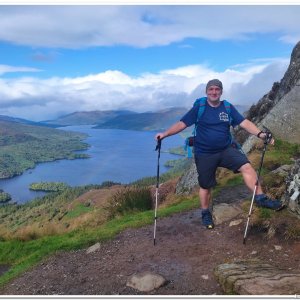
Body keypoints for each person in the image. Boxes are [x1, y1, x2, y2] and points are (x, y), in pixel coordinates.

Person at [155, 79, 284, 229]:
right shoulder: (199, 108)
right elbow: (181, 124)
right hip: (204, 153)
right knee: (205, 185)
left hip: (225, 150)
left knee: (247, 167)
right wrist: (164, 134)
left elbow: (244, 123)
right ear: (206, 92)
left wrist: (260, 134)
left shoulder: (227, 107)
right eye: (211, 89)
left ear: (221, 91)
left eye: (217, 89)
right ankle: (205, 213)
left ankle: (261, 198)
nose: (214, 92)